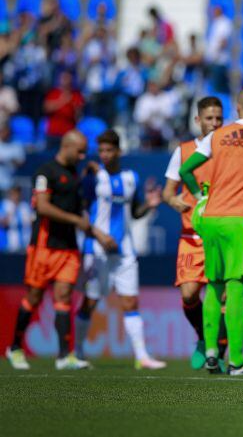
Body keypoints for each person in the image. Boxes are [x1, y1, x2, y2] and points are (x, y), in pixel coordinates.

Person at [179, 86, 243, 376]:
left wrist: (199, 196)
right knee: (236, 290)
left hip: (211, 217)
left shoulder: (216, 135)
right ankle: (237, 362)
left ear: (237, 109)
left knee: (213, 285)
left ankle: (212, 352)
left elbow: (187, 170)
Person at [5, 131, 109, 370]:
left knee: (63, 298)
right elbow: (42, 207)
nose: (83, 155)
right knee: (34, 297)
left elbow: (78, 210)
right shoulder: (45, 172)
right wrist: (75, 220)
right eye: (80, 150)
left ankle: (64, 356)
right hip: (44, 245)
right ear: (67, 145)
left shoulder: (75, 175)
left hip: (68, 248)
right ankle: (15, 347)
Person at [73, 130, 166, 370]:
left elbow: (135, 213)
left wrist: (150, 204)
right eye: (101, 150)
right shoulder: (93, 177)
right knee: (90, 302)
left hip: (125, 252)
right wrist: (99, 235)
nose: (104, 155)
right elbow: (81, 211)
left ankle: (142, 357)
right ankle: (78, 352)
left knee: (130, 303)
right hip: (97, 251)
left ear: (119, 151)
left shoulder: (130, 177)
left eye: (109, 150)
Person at [162, 97, 224, 369]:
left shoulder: (227, 149)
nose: (214, 124)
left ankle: (217, 350)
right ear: (198, 120)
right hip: (190, 236)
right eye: (209, 118)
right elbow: (168, 192)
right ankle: (203, 337)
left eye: (219, 119)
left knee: (220, 296)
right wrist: (174, 201)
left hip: (218, 234)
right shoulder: (184, 151)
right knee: (189, 295)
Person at [43, 71, 85, 148]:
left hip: (68, 134)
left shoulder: (77, 95)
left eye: (68, 78)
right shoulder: (53, 93)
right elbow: (47, 108)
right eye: (63, 78)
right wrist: (63, 100)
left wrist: (77, 110)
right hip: (53, 133)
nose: (65, 81)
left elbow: (78, 118)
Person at [204, 5, 232, 95]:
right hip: (213, 60)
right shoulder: (215, 23)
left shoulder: (225, 23)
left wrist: (214, 55)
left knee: (219, 88)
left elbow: (223, 42)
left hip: (219, 61)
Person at [0, 186, 34, 253]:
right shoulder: (4, 205)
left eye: (17, 194)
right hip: (6, 247)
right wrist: (12, 212)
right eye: (13, 194)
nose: (16, 196)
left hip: (23, 246)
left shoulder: (25, 206)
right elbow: (3, 223)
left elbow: (32, 222)